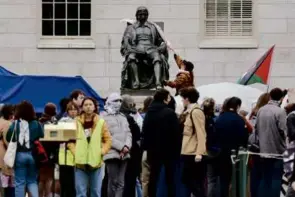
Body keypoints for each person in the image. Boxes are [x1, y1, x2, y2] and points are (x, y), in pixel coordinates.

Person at [142, 88, 181, 197]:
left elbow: (145, 131)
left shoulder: (149, 112)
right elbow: (176, 134)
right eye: (168, 97)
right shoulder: (169, 113)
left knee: (153, 176)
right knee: (170, 178)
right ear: (165, 99)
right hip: (169, 151)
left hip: (152, 150)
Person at [69, 97, 112, 197]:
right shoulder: (76, 122)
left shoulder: (101, 122)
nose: (88, 107)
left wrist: (102, 151)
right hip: (80, 163)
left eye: (90, 104)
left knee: (96, 193)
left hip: (96, 163)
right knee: (80, 193)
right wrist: (76, 152)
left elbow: (108, 140)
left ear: (94, 107)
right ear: (82, 107)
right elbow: (70, 141)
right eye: (86, 105)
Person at [120, 6, 169, 90]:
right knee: (131, 57)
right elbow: (126, 40)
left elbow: (159, 40)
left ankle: (158, 82)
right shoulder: (131, 28)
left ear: (147, 16)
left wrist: (163, 45)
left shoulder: (153, 27)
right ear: (137, 15)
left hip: (151, 48)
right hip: (137, 48)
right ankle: (136, 82)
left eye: (144, 14)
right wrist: (129, 48)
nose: (142, 16)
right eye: (140, 14)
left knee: (157, 58)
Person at [6, 101, 44, 197]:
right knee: (32, 181)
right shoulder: (36, 123)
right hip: (33, 155)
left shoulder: (15, 124)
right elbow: (42, 135)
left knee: (20, 182)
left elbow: (8, 137)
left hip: (19, 154)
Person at [255, 88, 287, 197]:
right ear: (281, 98)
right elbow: (283, 130)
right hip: (277, 151)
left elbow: (256, 128)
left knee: (265, 177)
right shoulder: (280, 111)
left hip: (263, 150)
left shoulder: (261, 110)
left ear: (270, 97)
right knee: (276, 178)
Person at [214, 97, 248, 197]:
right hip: (235, 154)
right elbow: (243, 138)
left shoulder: (220, 118)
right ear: (237, 106)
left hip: (221, 153)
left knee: (223, 179)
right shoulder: (239, 120)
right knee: (236, 179)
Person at [178, 87, 206, 197]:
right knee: (190, 181)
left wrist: (199, 153)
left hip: (193, 152)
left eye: (183, 98)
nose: (182, 101)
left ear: (187, 99)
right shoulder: (189, 112)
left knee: (192, 181)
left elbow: (201, 133)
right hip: (188, 151)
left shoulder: (196, 112)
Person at [103, 93, 132, 197]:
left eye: (120, 101)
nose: (118, 103)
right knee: (113, 181)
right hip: (111, 153)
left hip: (125, 153)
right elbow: (107, 136)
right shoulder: (103, 117)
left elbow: (128, 133)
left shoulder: (123, 117)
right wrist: (121, 147)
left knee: (121, 183)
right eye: (116, 101)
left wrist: (127, 146)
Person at [120, 95, 142, 197]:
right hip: (132, 153)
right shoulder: (130, 118)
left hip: (120, 152)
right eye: (131, 104)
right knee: (130, 181)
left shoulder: (119, 116)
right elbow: (137, 134)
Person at [58, 101, 79, 197]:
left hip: (77, 154)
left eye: (75, 109)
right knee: (64, 180)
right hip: (64, 154)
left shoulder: (80, 121)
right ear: (67, 111)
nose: (73, 112)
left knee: (75, 182)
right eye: (71, 109)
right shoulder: (62, 121)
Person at [38, 103, 58, 197]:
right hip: (50, 153)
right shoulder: (53, 123)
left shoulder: (39, 122)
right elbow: (55, 138)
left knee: (40, 179)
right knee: (49, 178)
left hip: (39, 152)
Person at [0, 105, 15, 197]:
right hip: (3, 160)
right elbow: (9, 143)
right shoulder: (7, 124)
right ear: (10, 115)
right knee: (6, 188)